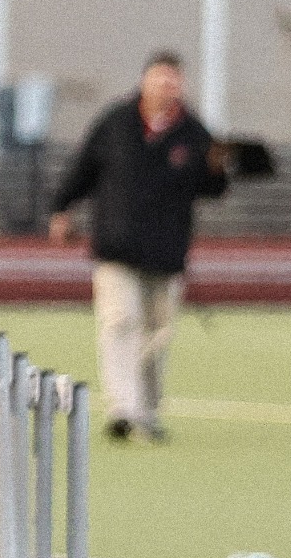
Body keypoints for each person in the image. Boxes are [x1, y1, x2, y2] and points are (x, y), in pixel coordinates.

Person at [48, 51, 229, 443]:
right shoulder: (116, 122)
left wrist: (221, 167)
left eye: (174, 79)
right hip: (117, 245)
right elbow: (85, 167)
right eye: (161, 77)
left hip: (167, 251)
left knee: (158, 334)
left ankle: (146, 409)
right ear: (144, 81)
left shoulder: (194, 133)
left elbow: (213, 188)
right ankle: (123, 409)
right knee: (119, 321)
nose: (167, 85)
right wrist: (61, 207)